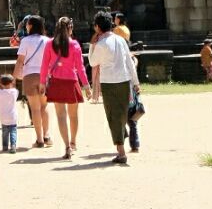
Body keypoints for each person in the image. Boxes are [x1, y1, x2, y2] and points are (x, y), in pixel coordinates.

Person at [89, 10, 139, 165]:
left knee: (113, 116)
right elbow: (130, 63)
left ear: (97, 27)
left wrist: (92, 45)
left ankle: (121, 151)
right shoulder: (120, 40)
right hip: (124, 80)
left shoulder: (101, 44)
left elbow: (92, 62)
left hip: (109, 83)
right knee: (122, 114)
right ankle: (121, 144)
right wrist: (136, 82)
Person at [39, 16, 90, 160]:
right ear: (70, 28)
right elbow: (80, 68)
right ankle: (73, 142)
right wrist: (86, 85)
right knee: (73, 115)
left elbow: (44, 65)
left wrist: (42, 82)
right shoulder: (74, 45)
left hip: (56, 82)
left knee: (61, 116)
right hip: (71, 82)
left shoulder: (49, 44)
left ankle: (67, 145)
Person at [13, 14, 51, 148]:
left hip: (29, 76)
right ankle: (47, 136)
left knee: (34, 108)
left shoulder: (25, 41)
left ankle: (39, 139)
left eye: (28, 24)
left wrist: (14, 76)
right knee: (44, 107)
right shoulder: (47, 41)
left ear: (31, 26)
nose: (27, 26)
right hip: (44, 76)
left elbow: (20, 61)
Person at [0, 71, 19, 152]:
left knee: (4, 133)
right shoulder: (15, 92)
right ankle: (13, 146)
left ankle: (5, 146)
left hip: (3, 118)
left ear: (1, 84)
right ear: (11, 83)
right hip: (13, 117)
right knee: (13, 132)